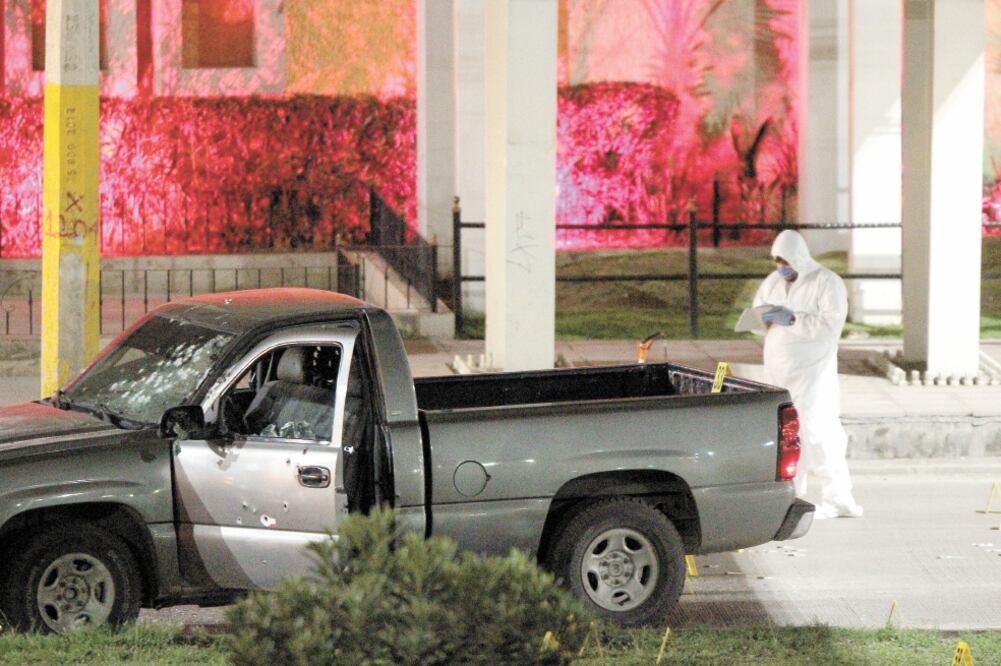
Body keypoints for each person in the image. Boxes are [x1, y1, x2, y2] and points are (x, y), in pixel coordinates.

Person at [752, 230, 863, 519]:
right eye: (776, 261)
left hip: (813, 372)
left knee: (818, 431)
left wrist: (792, 320)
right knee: (788, 436)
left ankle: (839, 498)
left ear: (797, 257)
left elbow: (830, 326)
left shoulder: (826, 282)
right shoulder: (773, 282)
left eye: (784, 260)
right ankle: (793, 495)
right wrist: (763, 320)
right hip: (779, 372)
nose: (780, 267)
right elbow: (758, 311)